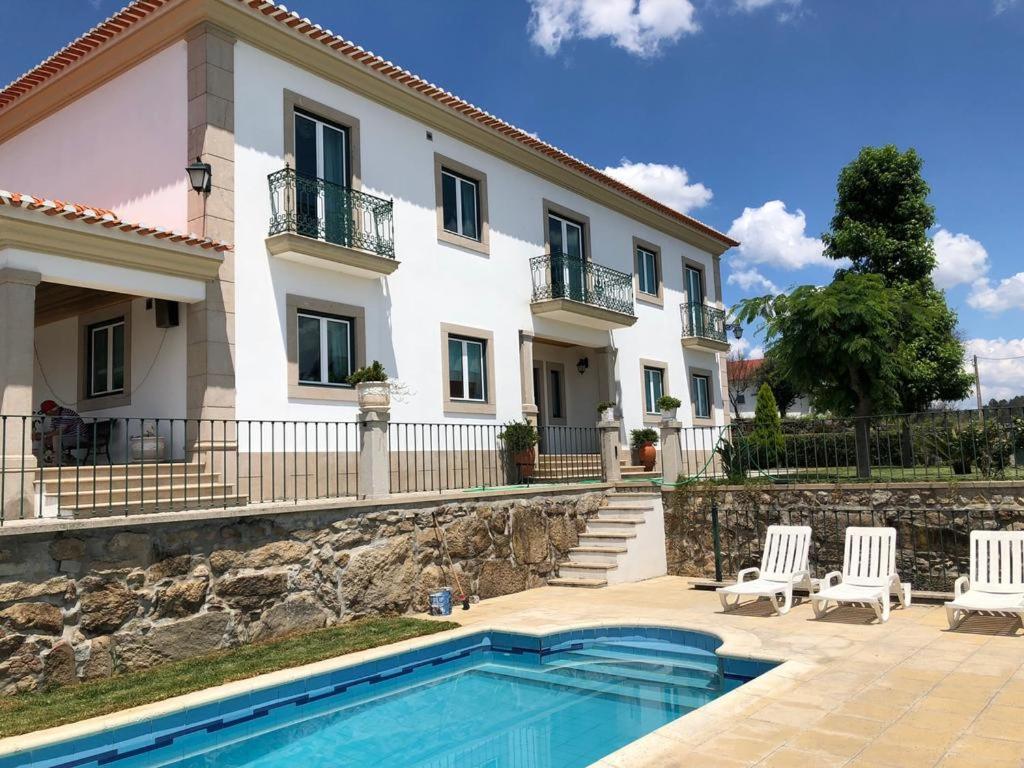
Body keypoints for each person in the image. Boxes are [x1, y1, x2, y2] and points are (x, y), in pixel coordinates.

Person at [34, 401, 89, 465]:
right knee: (46, 439)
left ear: (52, 410)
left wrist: (45, 436)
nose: (46, 415)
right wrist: (42, 435)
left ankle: (57, 463)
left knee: (55, 438)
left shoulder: (66, 413)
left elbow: (59, 431)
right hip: (67, 437)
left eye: (46, 413)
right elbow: (53, 431)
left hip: (80, 437)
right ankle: (43, 462)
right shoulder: (54, 417)